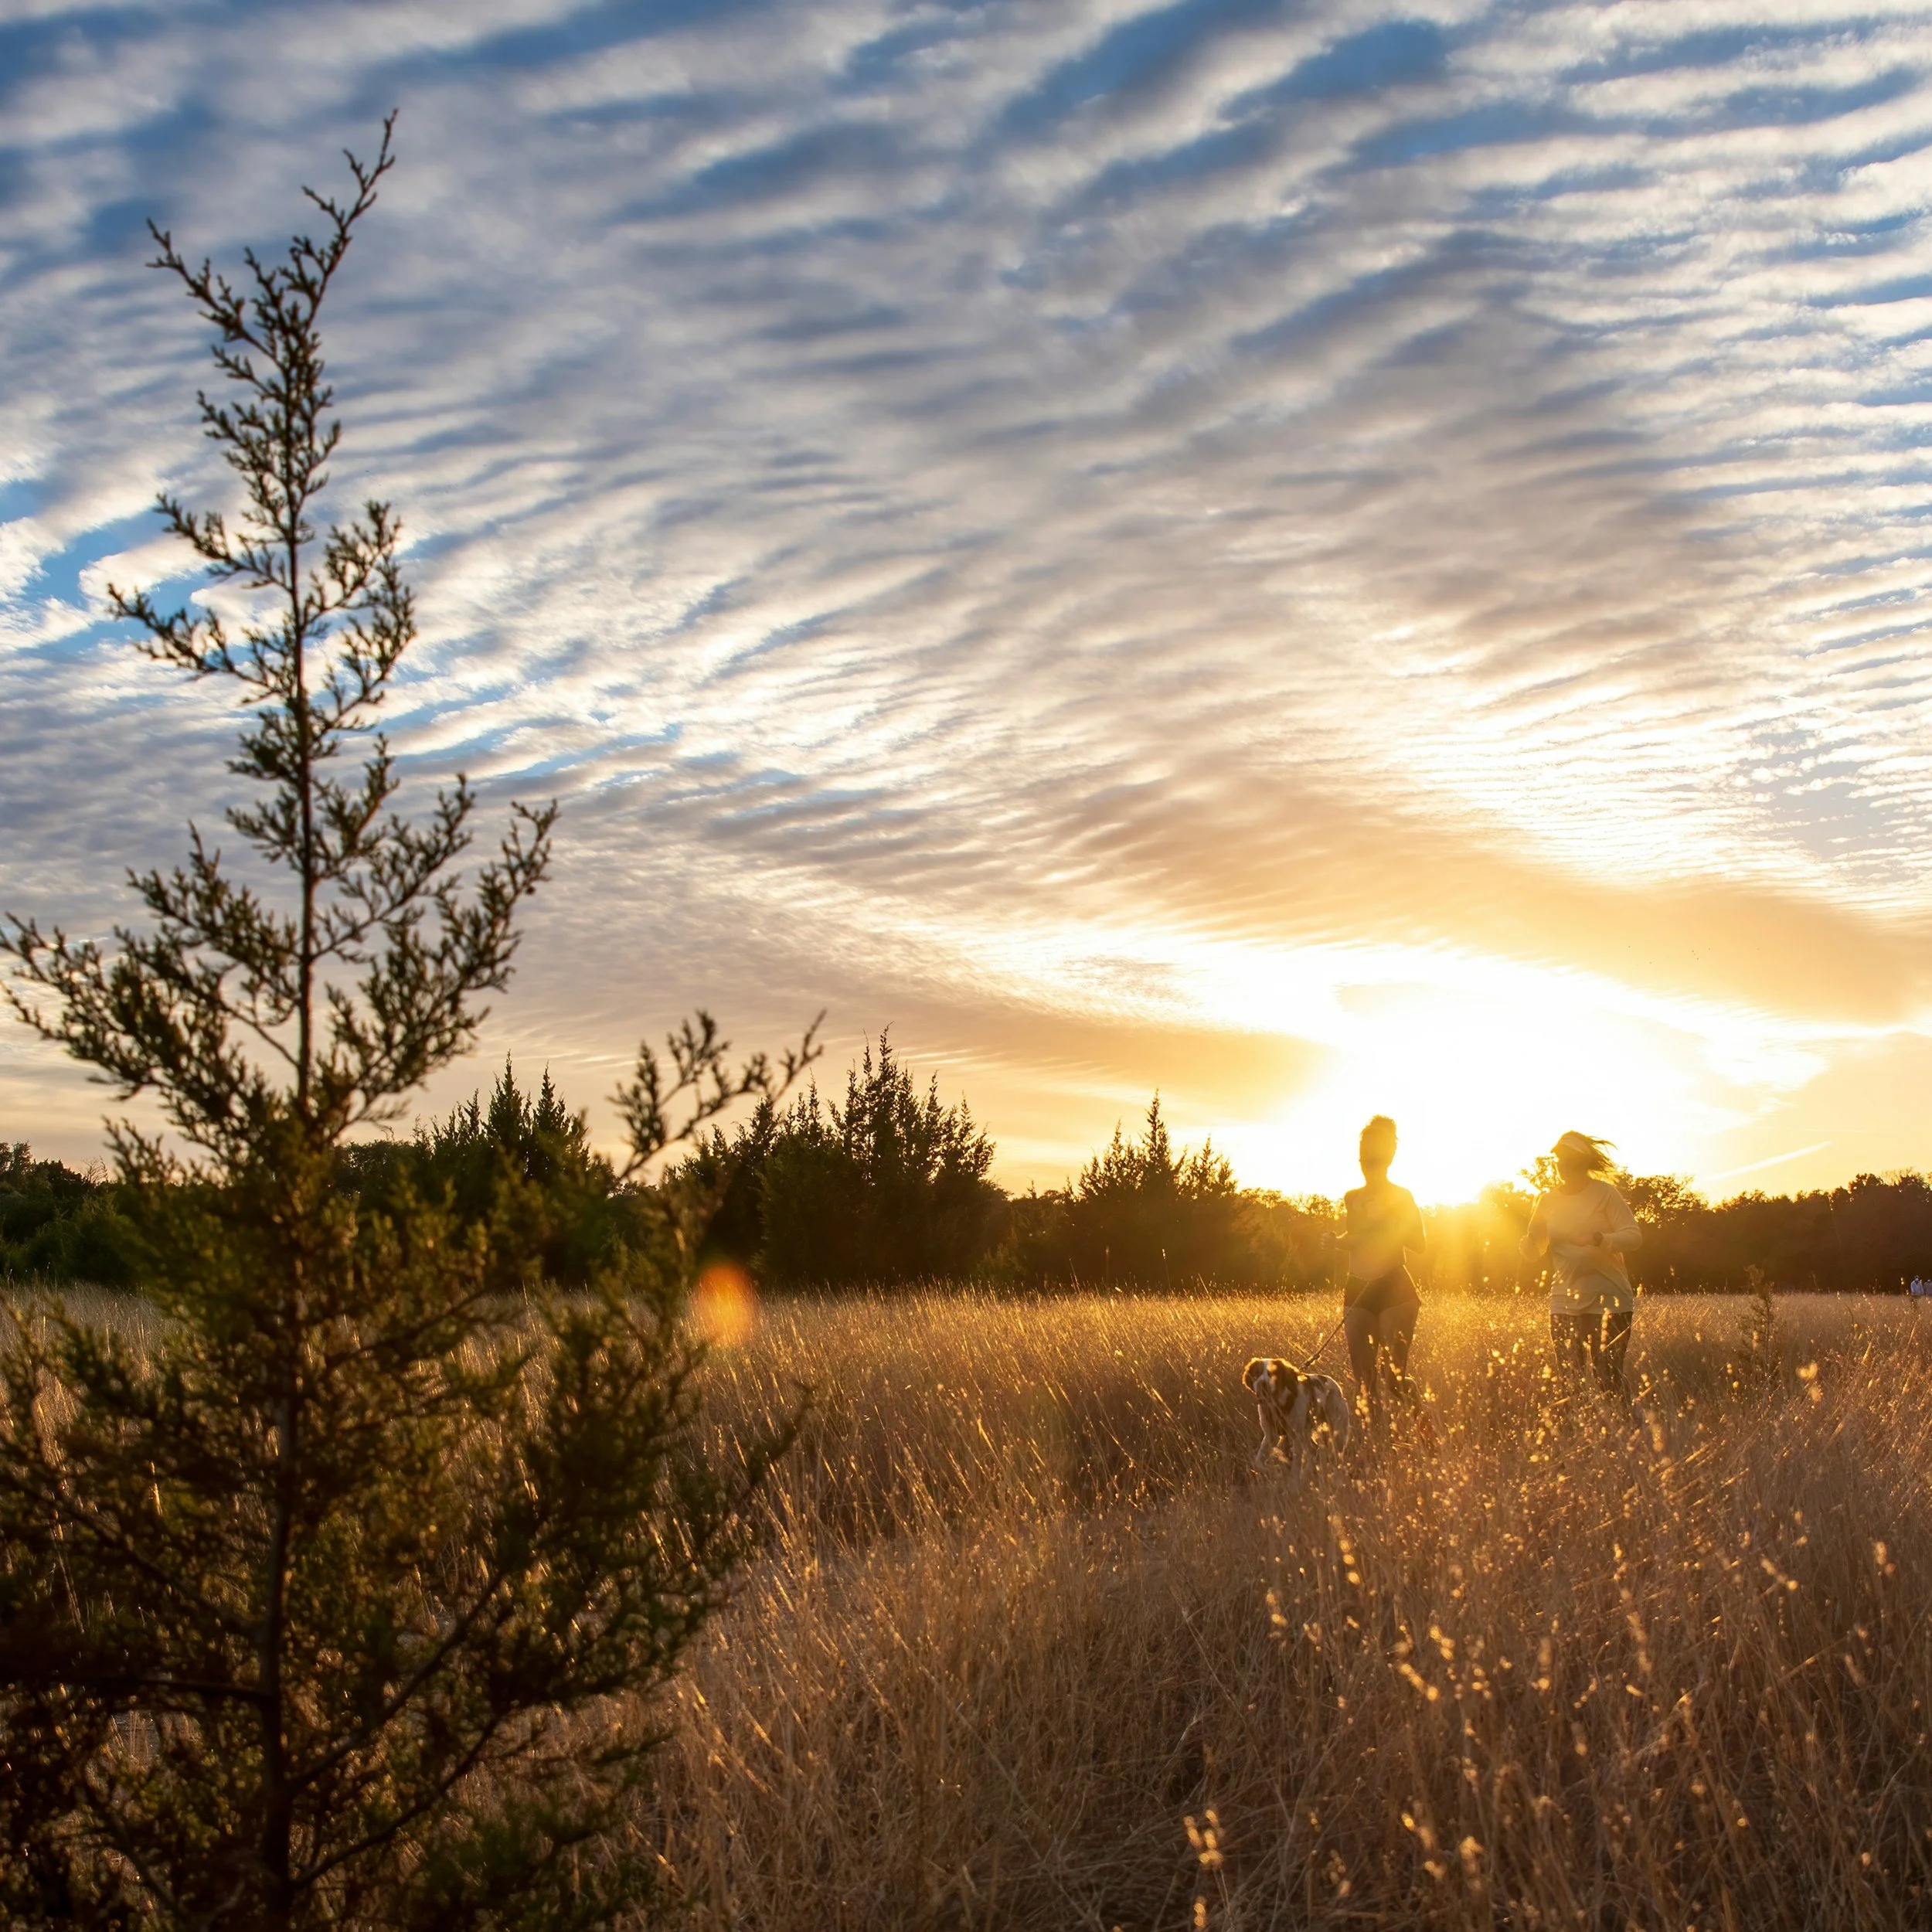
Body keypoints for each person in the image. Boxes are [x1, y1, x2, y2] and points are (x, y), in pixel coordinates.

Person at [1521, 1131, 1641, 1396]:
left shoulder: (1605, 1194)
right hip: (1564, 1300)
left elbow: (1634, 1236)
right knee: (1569, 1383)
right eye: (1558, 1159)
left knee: (1608, 1379)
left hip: (1610, 1299)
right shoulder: (1548, 1200)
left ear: (1582, 1162)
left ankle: (1623, 1433)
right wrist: (1528, 1243)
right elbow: (1534, 1250)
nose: (1561, 1164)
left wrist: (1600, 1238)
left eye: (1567, 1159)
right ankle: (1577, 1435)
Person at [1335, 1114, 1428, 1430]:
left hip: (1394, 1288)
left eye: (1373, 1158)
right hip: (1357, 1288)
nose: (1367, 1164)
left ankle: (1426, 1429)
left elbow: (1419, 1243)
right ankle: (1376, 1454)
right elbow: (1355, 1241)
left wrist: (1385, 1222)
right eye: (1363, 1157)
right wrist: (1335, 1242)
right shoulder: (1352, 1197)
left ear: (1388, 1159)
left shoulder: (1401, 1196)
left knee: (1393, 1381)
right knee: (1364, 1385)